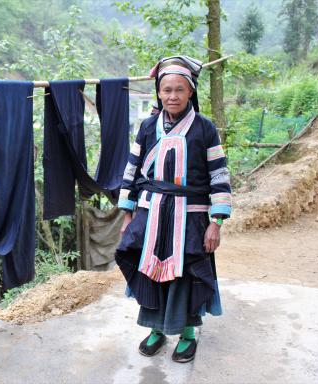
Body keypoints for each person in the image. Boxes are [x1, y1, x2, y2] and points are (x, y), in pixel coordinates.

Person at [116, 56, 231, 363]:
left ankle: (188, 333)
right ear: (159, 92)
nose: (172, 96)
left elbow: (219, 175)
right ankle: (155, 329)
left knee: (186, 274)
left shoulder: (205, 129)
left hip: (190, 215)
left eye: (179, 89)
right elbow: (132, 169)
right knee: (150, 271)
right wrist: (128, 214)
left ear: (190, 91)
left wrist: (216, 221)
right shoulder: (148, 126)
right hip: (150, 213)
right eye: (166, 90)